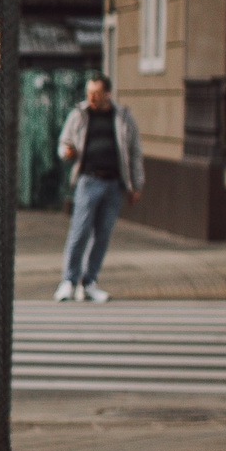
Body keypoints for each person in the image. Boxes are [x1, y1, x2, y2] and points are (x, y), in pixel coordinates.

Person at [54, 73, 141, 303]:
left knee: (102, 235)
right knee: (79, 232)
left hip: (113, 183)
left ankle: (89, 282)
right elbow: (64, 143)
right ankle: (68, 281)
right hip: (88, 180)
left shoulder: (122, 117)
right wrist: (67, 152)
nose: (91, 98)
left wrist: (136, 185)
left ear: (107, 94)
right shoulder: (79, 115)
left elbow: (134, 152)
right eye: (89, 93)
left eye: (96, 94)